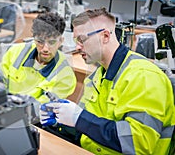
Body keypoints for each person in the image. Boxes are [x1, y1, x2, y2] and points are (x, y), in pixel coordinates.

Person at [40, 8, 175, 154]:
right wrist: (61, 121)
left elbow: (138, 143)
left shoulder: (144, 76)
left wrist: (79, 118)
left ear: (105, 36)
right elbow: (93, 128)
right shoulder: (97, 76)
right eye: (75, 41)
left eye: (82, 40)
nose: (77, 47)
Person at [0, 12, 76, 103]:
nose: (45, 49)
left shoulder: (65, 76)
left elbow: (42, 108)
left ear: (61, 41)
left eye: (52, 42)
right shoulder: (15, 51)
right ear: (33, 38)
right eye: (40, 41)